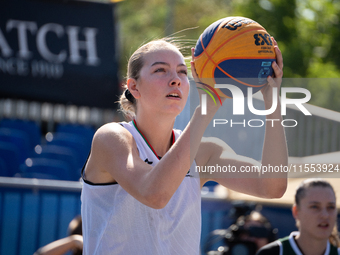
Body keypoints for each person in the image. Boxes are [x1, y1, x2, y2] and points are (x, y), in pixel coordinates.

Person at [81, 36, 288, 254]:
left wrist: (271, 101)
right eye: (160, 70)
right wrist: (205, 110)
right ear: (134, 87)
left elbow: (272, 186)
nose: (176, 79)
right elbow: (155, 194)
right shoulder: (112, 138)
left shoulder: (203, 153)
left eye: (182, 71)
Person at [256, 178, 340, 255]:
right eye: (315, 206)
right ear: (296, 211)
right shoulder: (271, 253)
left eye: (331, 207)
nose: (325, 215)